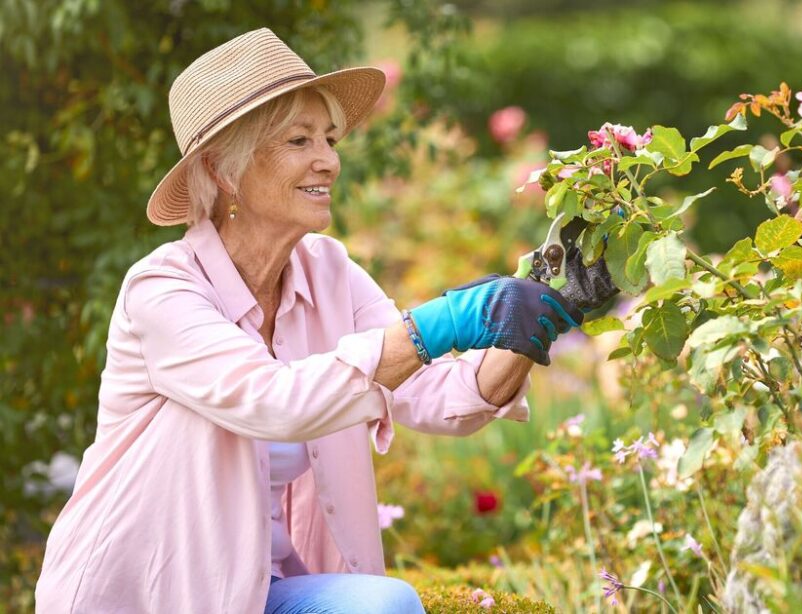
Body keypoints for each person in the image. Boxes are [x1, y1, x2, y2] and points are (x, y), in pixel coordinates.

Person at [35, 28, 600, 613]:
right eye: (299, 140)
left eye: (328, 139)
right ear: (225, 168)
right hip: (147, 596)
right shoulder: (163, 290)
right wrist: (438, 323)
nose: (328, 160)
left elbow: (440, 397)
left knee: (381, 605)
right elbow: (273, 401)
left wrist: (543, 305)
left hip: (258, 593)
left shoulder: (329, 271)